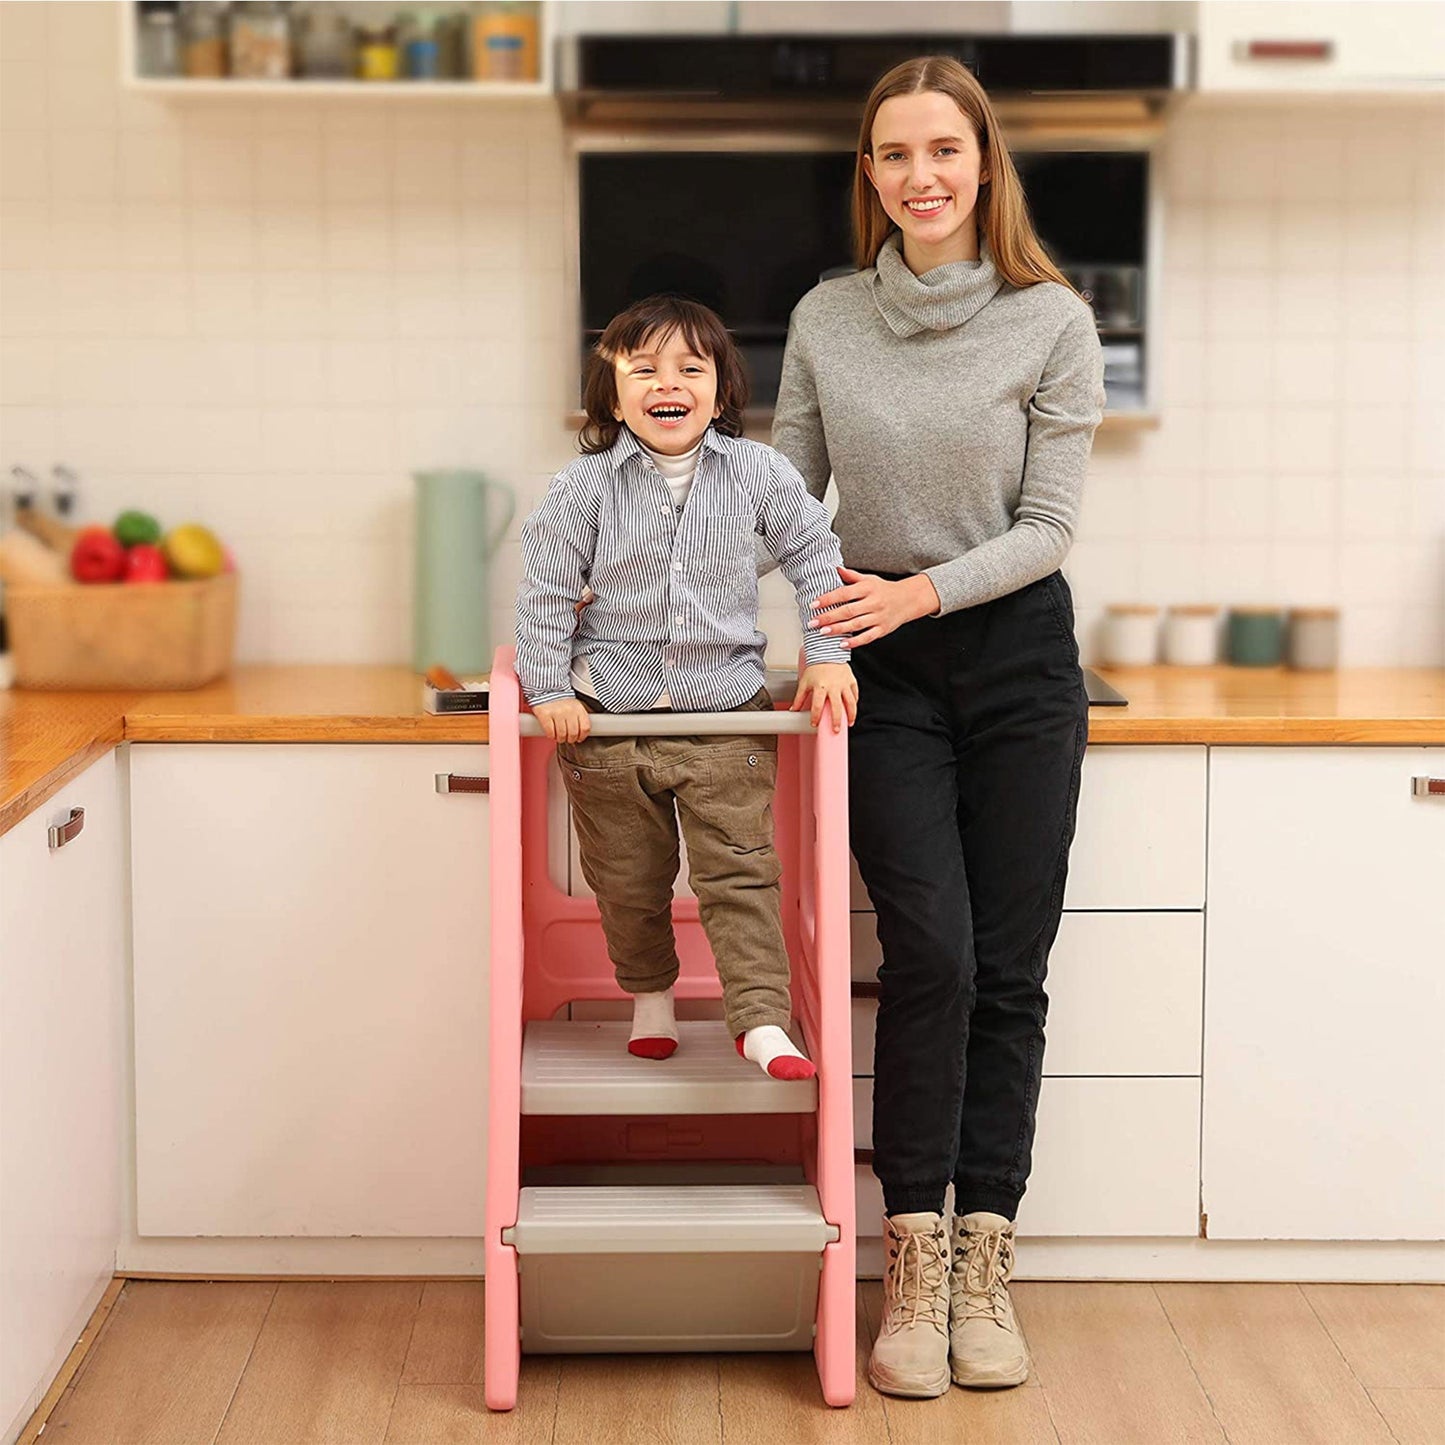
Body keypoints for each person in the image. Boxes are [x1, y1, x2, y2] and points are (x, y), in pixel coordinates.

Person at [773, 55, 1105, 1396]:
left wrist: (915, 591)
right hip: (883, 673)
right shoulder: (825, 318)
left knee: (1011, 970)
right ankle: (909, 1262)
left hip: (1018, 659)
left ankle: (985, 1259)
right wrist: (823, 635)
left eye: (943, 152)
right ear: (869, 172)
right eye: (893, 153)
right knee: (934, 957)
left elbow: (1051, 528)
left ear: (983, 165)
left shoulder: (1050, 322)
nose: (920, 176)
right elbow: (789, 502)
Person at [515, 294, 858, 1081]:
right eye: (643, 369)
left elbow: (815, 556)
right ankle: (651, 1001)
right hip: (606, 718)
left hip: (727, 715)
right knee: (628, 879)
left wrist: (827, 653)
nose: (666, 383)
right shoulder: (581, 489)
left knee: (740, 872)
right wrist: (546, 691)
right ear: (611, 393)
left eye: (688, 368)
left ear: (720, 388)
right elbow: (543, 592)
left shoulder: (760, 473)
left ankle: (762, 1022)